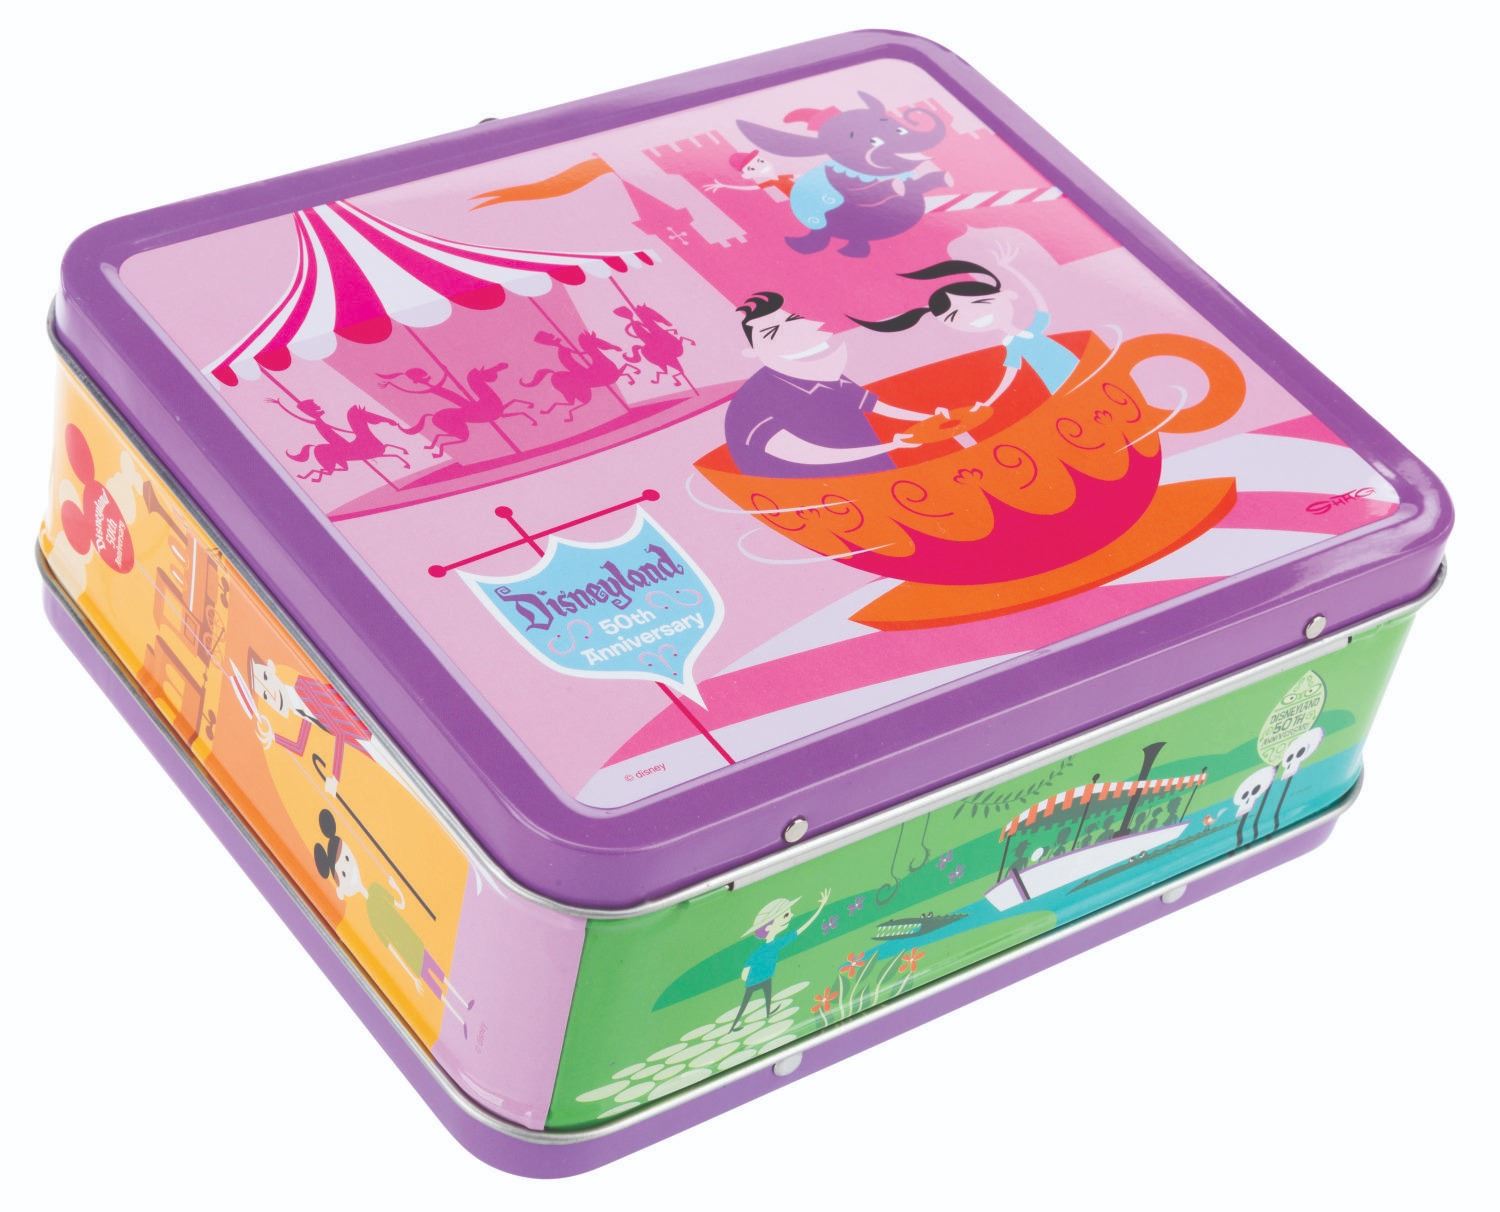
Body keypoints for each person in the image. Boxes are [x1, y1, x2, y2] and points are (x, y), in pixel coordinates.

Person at [724, 292, 933, 478]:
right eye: (772, 333)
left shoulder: (823, 372)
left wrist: (928, 419)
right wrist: (891, 446)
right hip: (813, 492)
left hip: (881, 475)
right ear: (753, 352)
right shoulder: (753, 401)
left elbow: (873, 405)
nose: (792, 335)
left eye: (793, 322)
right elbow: (802, 453)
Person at [312, 809, 475, 1037]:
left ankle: (464, 1004)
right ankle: (459, 1018)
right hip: (406, 951)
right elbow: (390, 947)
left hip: (412, 938)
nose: (351, 868)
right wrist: (411, 976)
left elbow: (400, 904)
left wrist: (397, 889)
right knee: (433, 983)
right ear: (341, 887)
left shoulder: (376, 890)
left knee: (439, 973)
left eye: (347, 859)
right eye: (344, 872)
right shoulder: (370, 915)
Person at [851, 254, 1080, 407]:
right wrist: (990, 401)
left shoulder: (1032, 329)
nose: (974, 316)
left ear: (1007, 295)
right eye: (954, 317)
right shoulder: (1013, 346)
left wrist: (1010, 269)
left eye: (981, 303)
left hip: (1079, 363)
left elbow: (1040, 305)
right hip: (1057, 382)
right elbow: (1009, 375)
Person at [729, 888, 831, 1031]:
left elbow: (801, 929)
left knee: (766, 996)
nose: (791, 915)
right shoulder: (762, 950)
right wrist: (747, 976)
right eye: (786, 915)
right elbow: (746, 968)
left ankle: (768, 1012)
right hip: (754, 979)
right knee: (745, 1003)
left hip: (766, 977)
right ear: (769, 926)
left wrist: (821, 907)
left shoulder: (777, 943)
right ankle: (734, 1025)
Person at [704, 150, 795, 202]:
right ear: (747, 175)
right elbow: (751, 188)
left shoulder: (783, 177)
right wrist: (725, 185)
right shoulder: (771, 182)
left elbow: (798, 176)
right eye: (752, 168)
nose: (761, 166)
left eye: (760, 161)